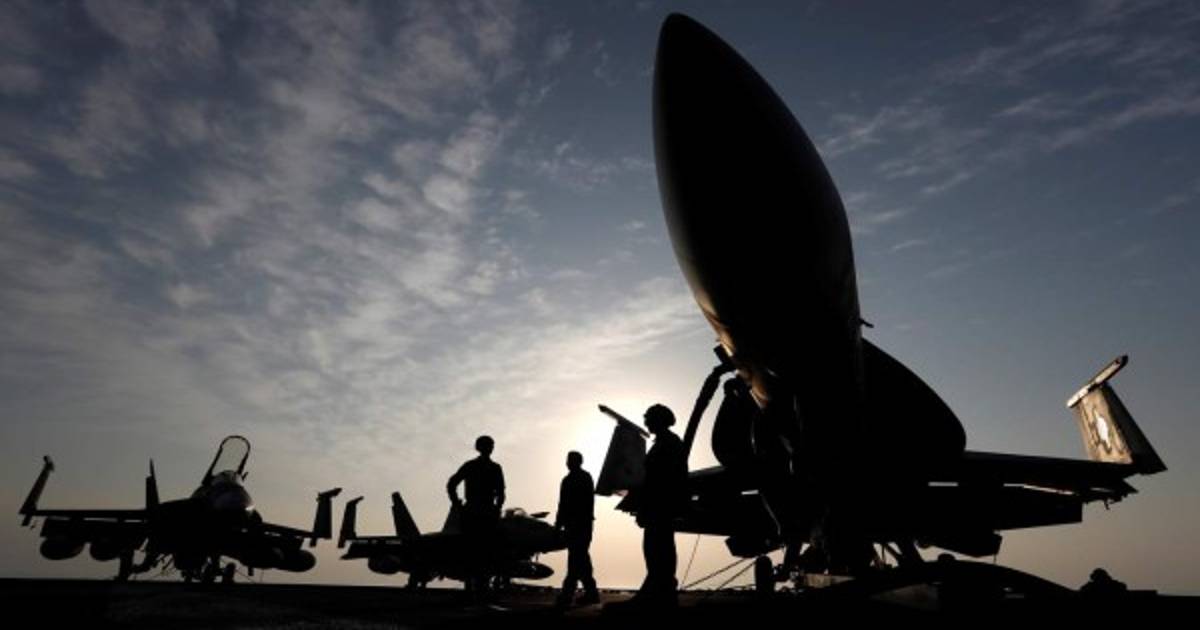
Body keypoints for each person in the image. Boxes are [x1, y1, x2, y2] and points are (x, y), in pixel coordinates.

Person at [632, 403, 687, 608]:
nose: (646, 421)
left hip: (660, 505)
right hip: (660, 505)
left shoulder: (668, 444)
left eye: (648, 417)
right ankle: (660, 590)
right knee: (657, 547)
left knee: (658, 548)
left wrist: (646, 505)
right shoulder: (666, 442)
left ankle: (660, 591)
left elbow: (660, 480)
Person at [447, 435, 505, 600]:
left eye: (491, 445)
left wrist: (457, 504)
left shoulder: (474, 466)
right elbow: (501, 493)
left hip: (475, 513)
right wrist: (497, 508)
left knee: (476, 552)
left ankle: (474, 589)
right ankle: (478, 590)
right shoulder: (491, 468)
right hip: (481, 513)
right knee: (478, 552)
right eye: (489, 445)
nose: (490, 448)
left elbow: (452, 484)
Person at [555, 451, 600, 608]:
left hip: (578, 524)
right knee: (580, 558)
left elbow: (564, 504)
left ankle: (568, 593)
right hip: (581, 524)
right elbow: (563, 504)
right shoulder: (580, 478)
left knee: (576, 557)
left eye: (570, 460)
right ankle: (590, 592)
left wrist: (558, 524)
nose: (568, 463)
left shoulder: (572, 480)